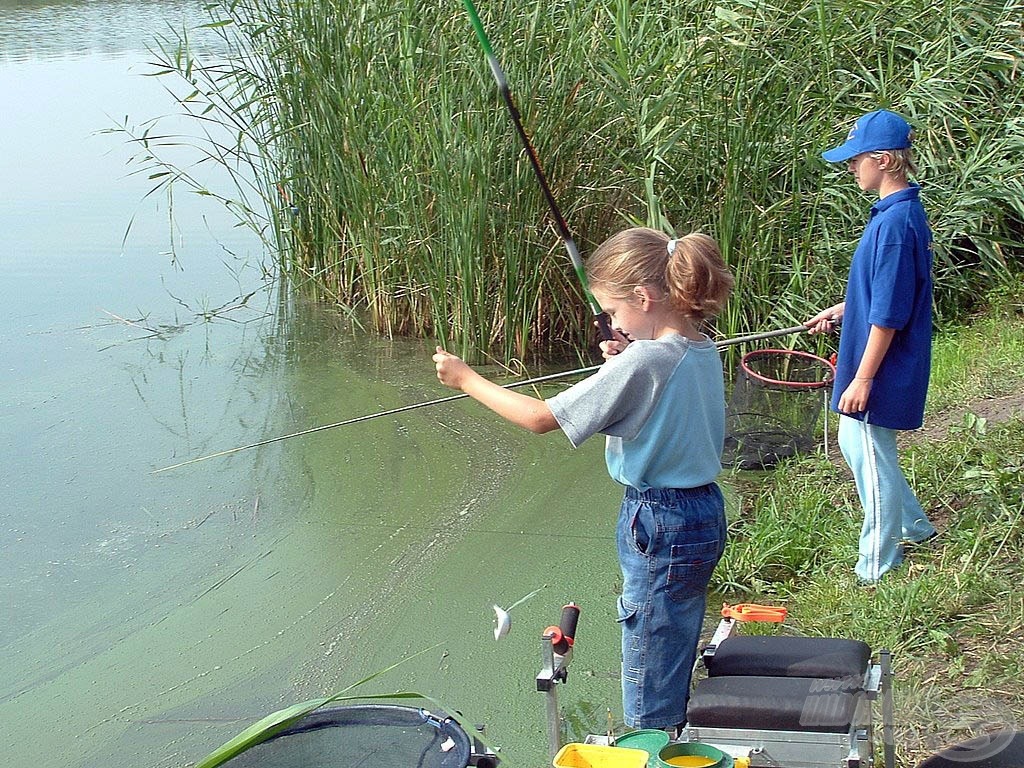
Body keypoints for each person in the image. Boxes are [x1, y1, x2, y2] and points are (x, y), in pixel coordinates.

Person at [433, 227, 734, 731]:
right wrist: (623, 360)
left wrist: (467, 379)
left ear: (643, 296)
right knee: (670, 646)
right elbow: (657, 401)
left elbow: (539, 417)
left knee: (646, 677)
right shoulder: (700, 347)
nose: (612, 323)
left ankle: (651, 746)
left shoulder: (645, 359)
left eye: (614, 312)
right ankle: (675, 731)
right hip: (701, 511)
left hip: (658, 520)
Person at [805, 109, 937, 585]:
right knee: (857, 442)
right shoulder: (893, 214)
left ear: (884, 160)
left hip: (881, 364)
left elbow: (890, 313)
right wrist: (843, 310)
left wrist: (863, 378)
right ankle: (915, 526)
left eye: (855, 160)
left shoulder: (897, 224)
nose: (851, 169)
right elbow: (882, 291)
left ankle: (877, 564)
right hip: (871, 354)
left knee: (870, 450)